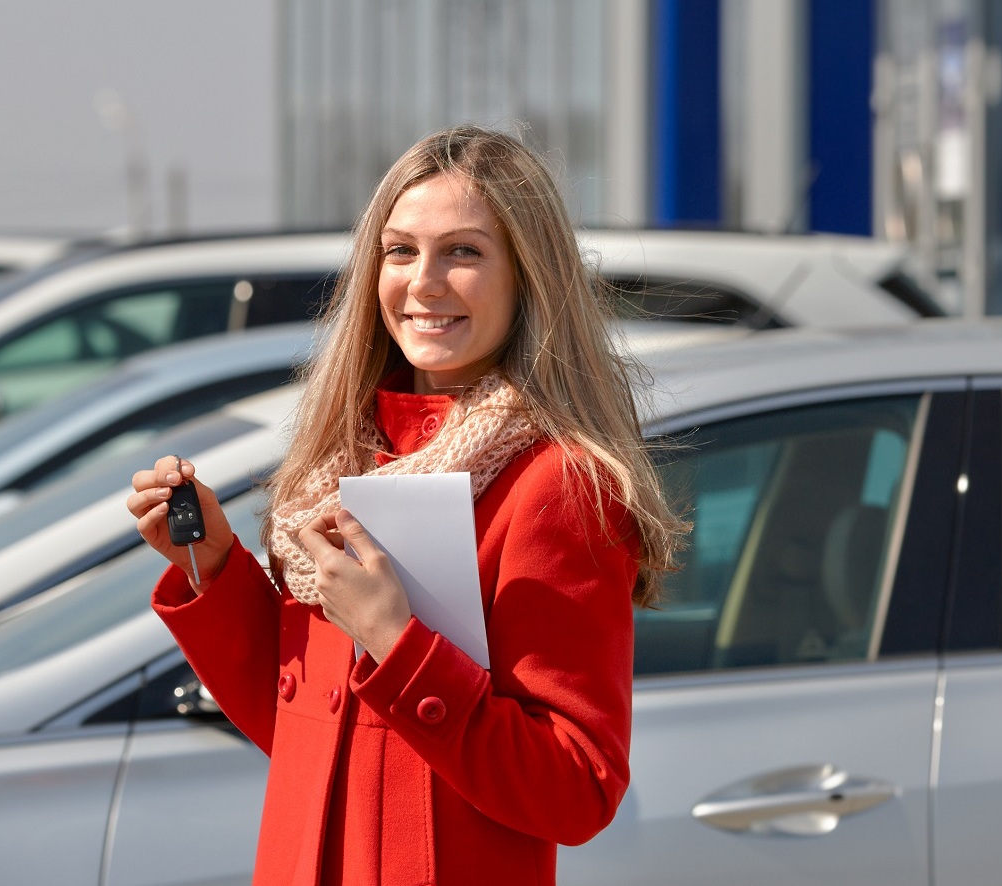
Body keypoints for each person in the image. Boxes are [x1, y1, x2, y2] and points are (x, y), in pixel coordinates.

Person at [127, 125, 684, 886]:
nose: (424, 282)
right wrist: (215, 567)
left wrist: (396, 639)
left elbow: (578, 790)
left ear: (529, 276)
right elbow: (303, 736)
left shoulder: (556, 483)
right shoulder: (340, 464)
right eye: (401, 251)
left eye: (463, 252)